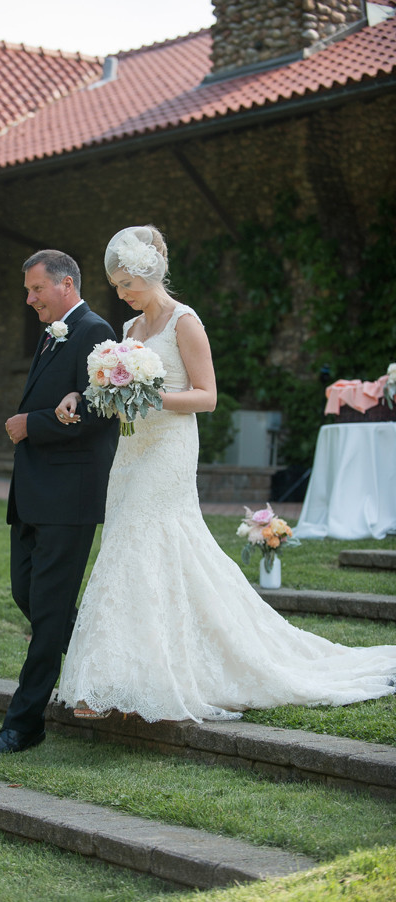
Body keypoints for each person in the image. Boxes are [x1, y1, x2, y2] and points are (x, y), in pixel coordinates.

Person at [56, 225, 396, 723]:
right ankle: (120, 674)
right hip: (131, 452)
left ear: (148, 273)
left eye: (125, 282)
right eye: (115, 285)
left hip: (170, 448)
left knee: (138, 539)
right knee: (131, 546)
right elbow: (111, 393)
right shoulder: (128, 333)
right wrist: (88, 397)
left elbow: (207, 396)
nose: (120, 293)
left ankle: (125, 680)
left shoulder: (184, 323)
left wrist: (149, 397)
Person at [0, 249, 118, 753]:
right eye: (28, 290)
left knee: (49, 611)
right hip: (35, 494)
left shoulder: (96, 331)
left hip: (70, 494)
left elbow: (101, 413)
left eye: (36, 289)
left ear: (65, 284)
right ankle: (105, 670)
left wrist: (30, 425)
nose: (29, 298)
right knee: (31, 597)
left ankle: (24, 722)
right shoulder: (53, 332)